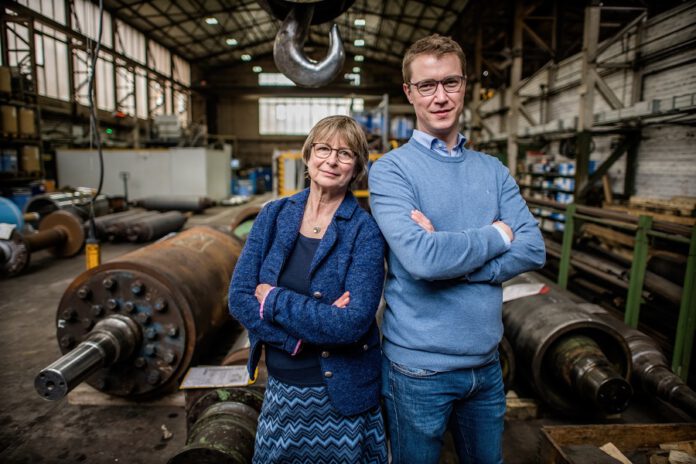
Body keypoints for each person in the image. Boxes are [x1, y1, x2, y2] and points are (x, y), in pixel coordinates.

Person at [368, 34, 546, 464]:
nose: (440, 96)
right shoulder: (391, 171)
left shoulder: (493, 169)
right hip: (417, 370)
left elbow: (534, 250)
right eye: (427, 85)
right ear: (409, 92)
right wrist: (498, 234)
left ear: (465, 85)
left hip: (486, 366)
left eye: (450, 82)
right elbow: (422, 260)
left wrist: (455, 263)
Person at [228, 115, 388, 463]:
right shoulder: (273, 215)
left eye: (345, 154)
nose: (332, 160)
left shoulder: (365, 232)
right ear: (308, 155)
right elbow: (239, 297)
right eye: (324, 149)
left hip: (342, 394)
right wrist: (295, 340)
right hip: (283, 388)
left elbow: (352, 323)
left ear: (357, 167)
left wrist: (273, 298)